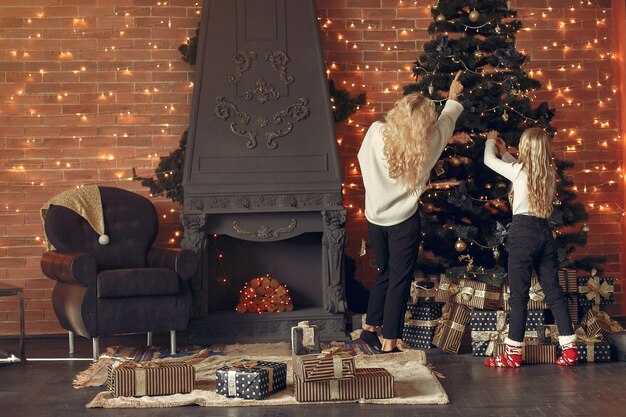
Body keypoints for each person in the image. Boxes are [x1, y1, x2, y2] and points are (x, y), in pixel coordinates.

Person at [357, 72, 464, 353]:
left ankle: (369, 330)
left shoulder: (375, 132)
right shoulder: (425, 147)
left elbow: (361, 159)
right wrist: (452, 96)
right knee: (400, 280)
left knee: (384, 273)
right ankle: (390, 341)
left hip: (374, 219)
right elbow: (447, 122)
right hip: (403, 222)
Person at [483, 128, 578, 367]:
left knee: (519, 296)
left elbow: (488, 160)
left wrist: (491, 140)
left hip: (522, 234)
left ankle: (513, 354)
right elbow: (523, 172)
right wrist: (506, 154)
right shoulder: (548, 173)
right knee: (553, 291)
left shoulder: (519, 172)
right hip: (544, 234)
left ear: (526, 149)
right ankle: (570, 349)